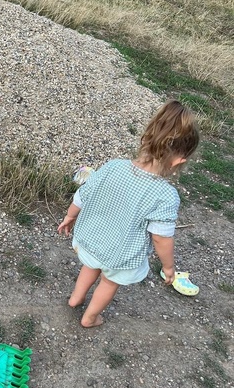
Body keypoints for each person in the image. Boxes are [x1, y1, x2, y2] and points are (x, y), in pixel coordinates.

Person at [57, 100, 200, 328]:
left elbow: (83, 195)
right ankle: (90, 318)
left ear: (146, 138)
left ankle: (76, 298)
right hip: (121, 254)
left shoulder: (114, 166)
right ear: (179, 160)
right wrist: (168, 267)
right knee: (108, 282)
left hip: (93, 240)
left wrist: (70, 216)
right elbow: (161, 237)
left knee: (90, 266)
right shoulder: (165, 195)